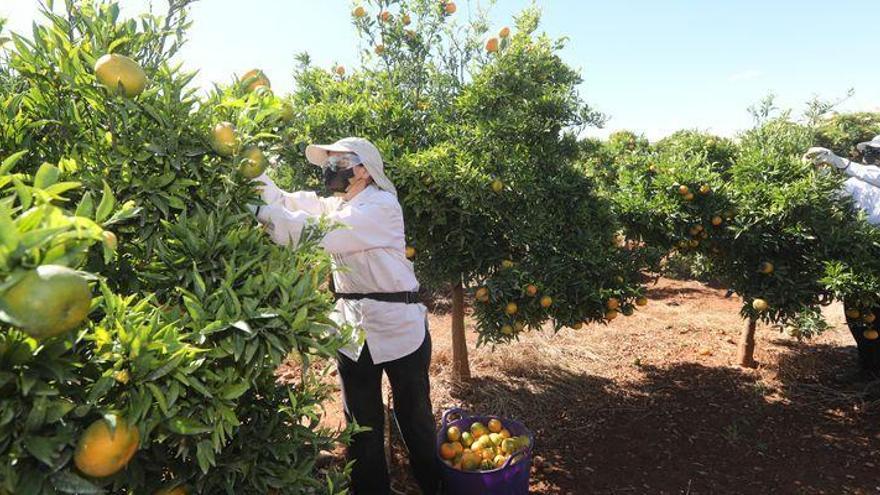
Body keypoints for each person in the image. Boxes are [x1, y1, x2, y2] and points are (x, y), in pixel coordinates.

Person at [251, 137, 440, 494]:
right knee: (361, 426)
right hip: (354, 330)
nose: (329, 170)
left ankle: (434, 485)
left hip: (399, 325)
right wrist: (250, 171)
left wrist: (260, 213)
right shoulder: (339, 206)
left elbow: (318, 233)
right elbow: (288, 202)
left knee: (414, 418)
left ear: (364, 170)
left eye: (338, 163)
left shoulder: (381, 207)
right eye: (328, 163)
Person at [804, 135, 880, 382]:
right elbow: (829, 197)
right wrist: (818, 172)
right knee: (858, 311)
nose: (872, 157)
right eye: (870, 152)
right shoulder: (854, 184)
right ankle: (868, 368)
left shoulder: (865, 175)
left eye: (876, 153)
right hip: (862, 251)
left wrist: (840, 162)